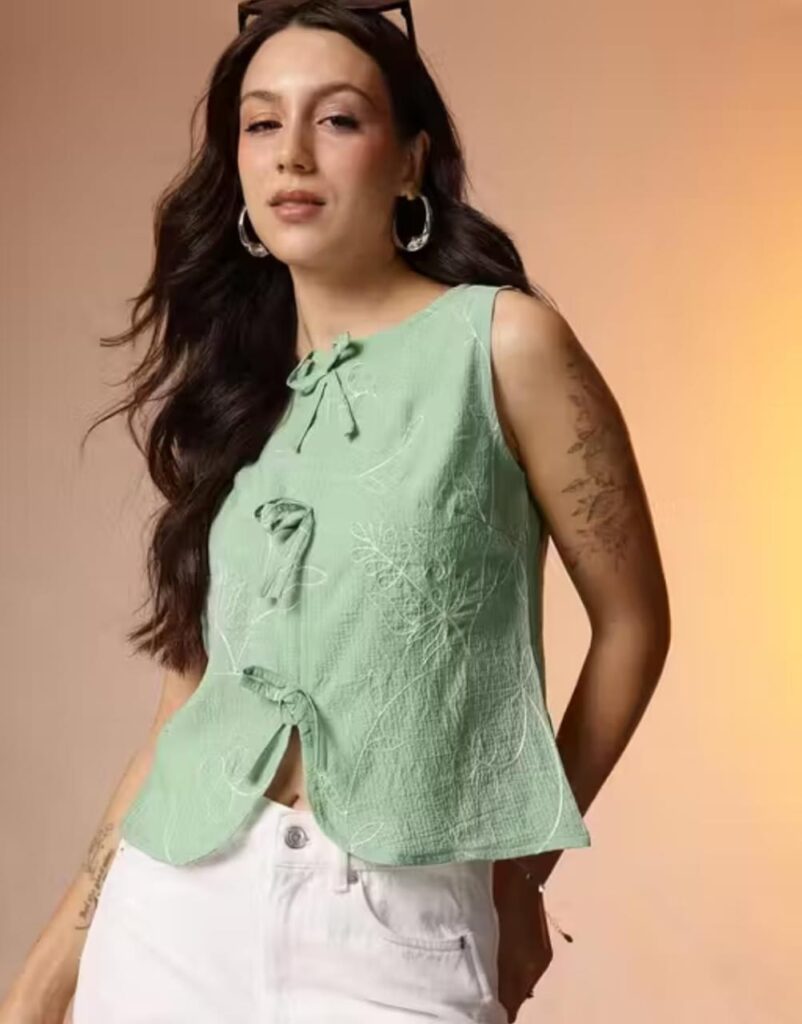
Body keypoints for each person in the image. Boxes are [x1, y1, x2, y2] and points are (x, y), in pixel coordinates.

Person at [0, 1, 671, 1022]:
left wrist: (519, 869)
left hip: (395, 930)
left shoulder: (505, 344)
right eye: (262, 123)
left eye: (339, 118)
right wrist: (48, 971)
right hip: (170, 913)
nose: (292, 154)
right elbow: (187, 704)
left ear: (410, 162)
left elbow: (633, 626)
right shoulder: (237, 400)